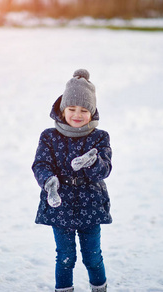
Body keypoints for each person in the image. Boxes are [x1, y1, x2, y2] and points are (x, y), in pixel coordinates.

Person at [32, 69, 112, 292]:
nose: (77, 114)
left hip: (91, 205)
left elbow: (105, 169)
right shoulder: (49, 136)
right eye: (72, 109)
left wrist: (91, 163)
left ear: (92, 112)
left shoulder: (100, 137)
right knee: (65, 257)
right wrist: (48, 181)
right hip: (61, 207)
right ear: (62, 109)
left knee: (93, 257)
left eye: (84, 110)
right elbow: (41, 164)